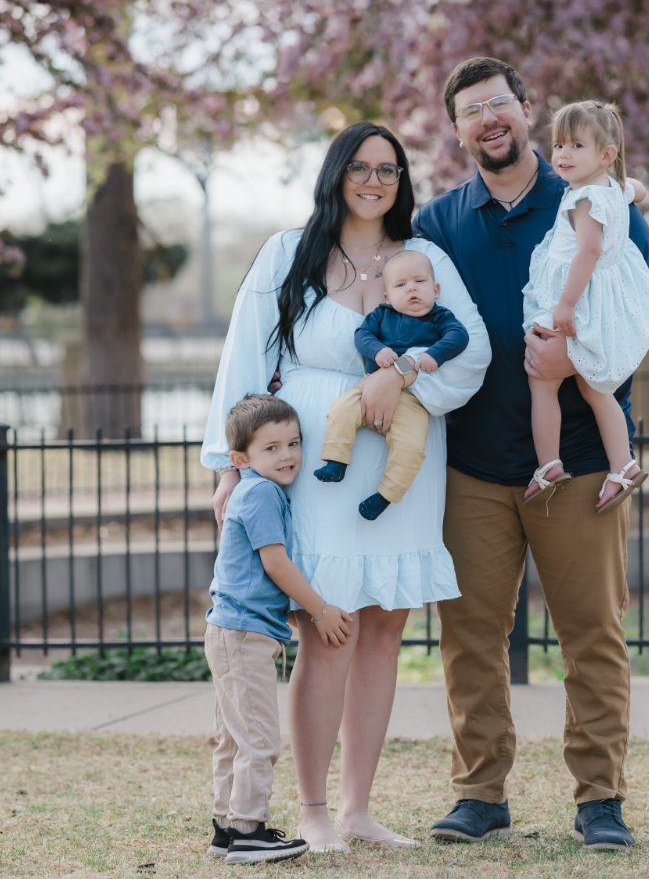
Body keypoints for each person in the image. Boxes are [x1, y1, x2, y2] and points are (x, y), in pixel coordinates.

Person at [413, 57, 649, 853]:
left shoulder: (595, 199)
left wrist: (578, 357)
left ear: (529, 110)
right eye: (471, 111)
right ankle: (479, 794)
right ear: (457, 130)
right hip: (471, 467)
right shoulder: (435, 224)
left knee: (591, 632)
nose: (488, 120)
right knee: (467, 638)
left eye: (500, 104)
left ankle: (601, 799)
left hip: (582, 459)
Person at [203, 121, 490, 854]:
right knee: (328, 628)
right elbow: (243, 361)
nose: (374, 181)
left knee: (386, 628)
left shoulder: (424, 259)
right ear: (336, 174)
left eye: (389, 170)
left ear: (403, 182)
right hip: (317, 467)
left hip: (404, 464)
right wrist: (230, 468)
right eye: (360, 167)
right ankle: (311, 809)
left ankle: (360, 807)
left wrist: (400, 375)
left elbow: (474, 350)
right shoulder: (288, 254)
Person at [203, 394, 351, 865]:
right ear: (240, 459)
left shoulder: (252, 490)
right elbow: (276, 563)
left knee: (233, 735)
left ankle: (226, 828)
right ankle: (249, 832)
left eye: (293, 443)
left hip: (234, 630)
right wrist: (319, 609)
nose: (287, 455)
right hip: (242, 637)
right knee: (258, 739)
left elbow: (247, 570)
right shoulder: (263, 493)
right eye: (272, 448)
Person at [520, 100, 649, 514]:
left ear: (605, 154)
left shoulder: (583, 200)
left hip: (575, 300)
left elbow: (588, 251)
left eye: (576, 146)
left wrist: (565, 304)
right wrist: (623, 182)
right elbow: (641, 188)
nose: (562, 155)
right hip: (603, 301)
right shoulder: (614, 189)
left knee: (541, 380)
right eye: (559, 145)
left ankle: (547, 464)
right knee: (596, 387)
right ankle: (624, 464)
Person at [314, 249, 471, 520]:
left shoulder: (440, 317)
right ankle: (335, 461)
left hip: (413, 397)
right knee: (341, 408)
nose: (411, 289)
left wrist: (434, 354)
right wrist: (376, 351)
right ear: (387, 296)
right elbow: (362, 335)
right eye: (401, 285)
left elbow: (459, 336)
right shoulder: (381, 315)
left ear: (435, 289)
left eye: (419, 282)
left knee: (411, 447)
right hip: (370, 385)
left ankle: (386, 495)